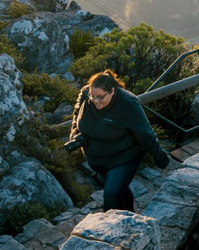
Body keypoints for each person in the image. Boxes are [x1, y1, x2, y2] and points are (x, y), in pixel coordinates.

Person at [67, 70, 170, 212]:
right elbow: (77, 112)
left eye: (100, 97)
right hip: (97, 159)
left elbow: (146, 134)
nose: (95, 100)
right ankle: (130, 217)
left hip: (124, 157)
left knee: (111, 194)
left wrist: (161, 159)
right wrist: (75, 131)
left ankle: (110, 229)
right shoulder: (86, 93)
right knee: (118, 190)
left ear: (112, 91)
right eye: (93, 96)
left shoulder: (128, 104)